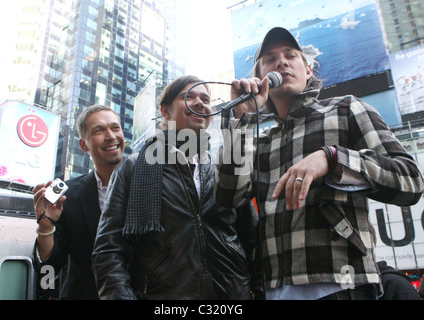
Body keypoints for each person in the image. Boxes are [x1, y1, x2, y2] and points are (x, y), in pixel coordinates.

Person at [215, 27, 424, 300]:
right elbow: (229, 195)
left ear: (309, 70)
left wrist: (332, 158)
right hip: (277, 291)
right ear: (260, 80)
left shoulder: (347, 108)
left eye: (291, 55)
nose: (281, 62)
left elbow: (410, 180)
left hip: (345, 286)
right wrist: (239, 124)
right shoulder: (260, 141)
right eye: (269, 59)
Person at [91, 75, 257, 300]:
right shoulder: (133, 168)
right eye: (188, 97)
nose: (200, 103)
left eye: (205, 99)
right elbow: (108, 250)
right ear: (165, 112)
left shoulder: (226, 168)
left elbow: (252, 238)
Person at [32, 105, 125, 299]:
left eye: (115, 128)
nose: (110, 136)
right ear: (83, 145)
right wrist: (45, 226)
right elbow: (49, 267)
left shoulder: (150, 187)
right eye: (99, 130)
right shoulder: (68, 195)